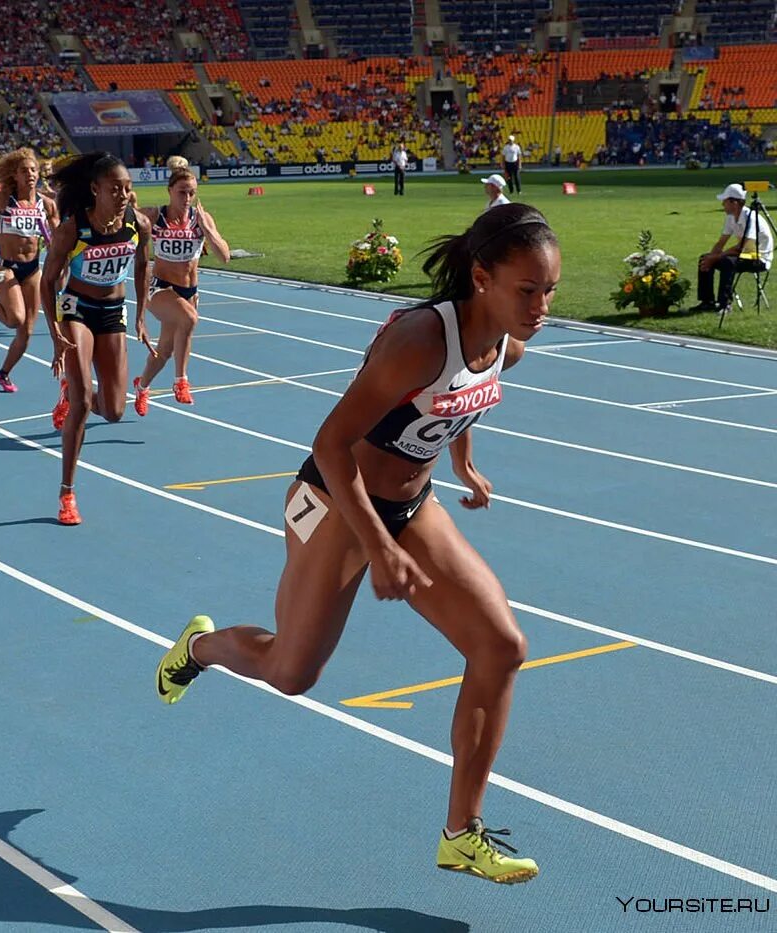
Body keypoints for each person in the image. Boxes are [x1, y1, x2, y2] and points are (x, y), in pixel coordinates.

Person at [156, 202, 561, 886]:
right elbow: (331, 443)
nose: (541, 306)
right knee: (291, 672)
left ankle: (461, 833)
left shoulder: (508, 342)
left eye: (551, 290)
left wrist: (461, 462)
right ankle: (200, 646)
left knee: (501, 645)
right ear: (482, 276)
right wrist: (377, 545)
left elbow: (463, 394)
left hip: (411, 504)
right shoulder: (419, 339)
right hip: (336, 501)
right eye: (528, 290)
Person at [41, 152, 152, 526]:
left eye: (128, 188)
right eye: (115, 188)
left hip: (113, 312)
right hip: (77, 309)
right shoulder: (73, 229)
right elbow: (46, 280)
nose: (124, 195)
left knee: (115, 411)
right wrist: (55, 332)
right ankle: (67, 493)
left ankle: (72, 390)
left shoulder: (138, 224)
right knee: (83, 402)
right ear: (95, 189)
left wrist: (139, 314)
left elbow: (142, 265)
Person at [132, 167, 229, 413]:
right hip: (160, 288)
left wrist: (207, 231)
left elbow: (224, 256)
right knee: (189, 318)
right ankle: (181, 381)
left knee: (164, 351)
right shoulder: (156, 215)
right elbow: (122, 220)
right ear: (170, 191)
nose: (187, 199)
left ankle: (141, 387)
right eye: (182, 193)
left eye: (192, 193)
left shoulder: (200, 218)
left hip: (189, 291)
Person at [0, 147, 59, 392]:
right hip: (6, 267)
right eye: (24, 170)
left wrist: (55, 246)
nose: (30, 174)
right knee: (15, 319)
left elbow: (58, 239)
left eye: (33, 170)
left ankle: (4, 373)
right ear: (14, 175)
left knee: (26, 332)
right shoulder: (4, 200)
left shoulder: (46, 204)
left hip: (32, 269)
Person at [693, 183, 773, 313]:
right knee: (705, 258)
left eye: (725, 201)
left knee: (727, 262)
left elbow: (743, 247)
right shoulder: (730, 218)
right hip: (744, 255)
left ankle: (725, 304)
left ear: (734, 202)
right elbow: (721, 242)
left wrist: (716, 257)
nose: (722, 205)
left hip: (758, 258)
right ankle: (707, 301)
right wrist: (710, 258)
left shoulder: (750, 218)